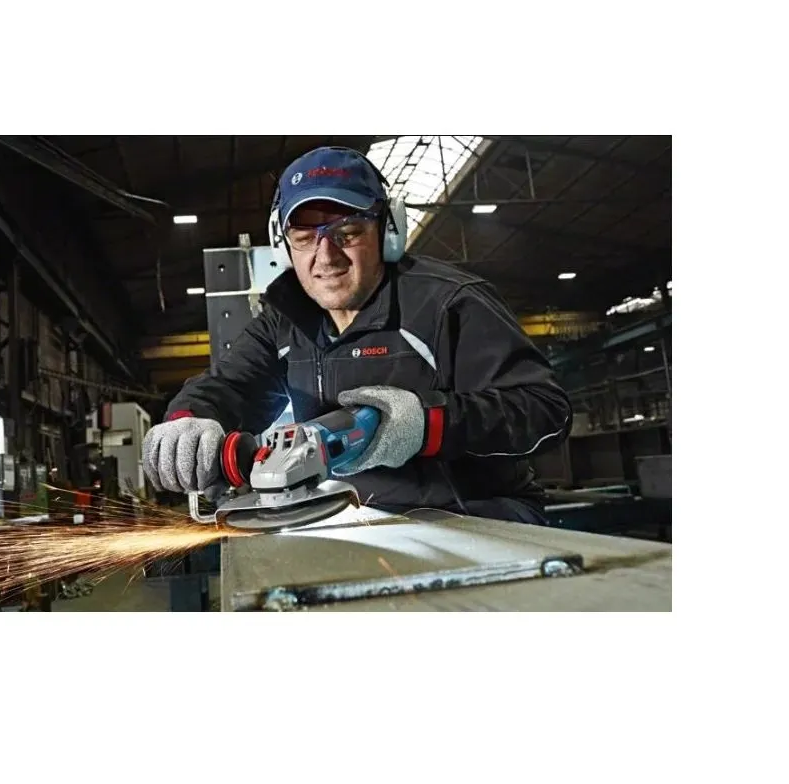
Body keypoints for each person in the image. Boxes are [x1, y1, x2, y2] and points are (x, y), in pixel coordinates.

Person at [142, 145, 572, 523]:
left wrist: (427, 424)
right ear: (282, 244)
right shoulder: (285, 321)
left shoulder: (449, 303)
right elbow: (229, 387)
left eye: (346, 234)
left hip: (474, 516)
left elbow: (545, 412)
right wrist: (189, 422)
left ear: (387, 231)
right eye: (304, 237)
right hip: (353, 519)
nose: (326, 257)